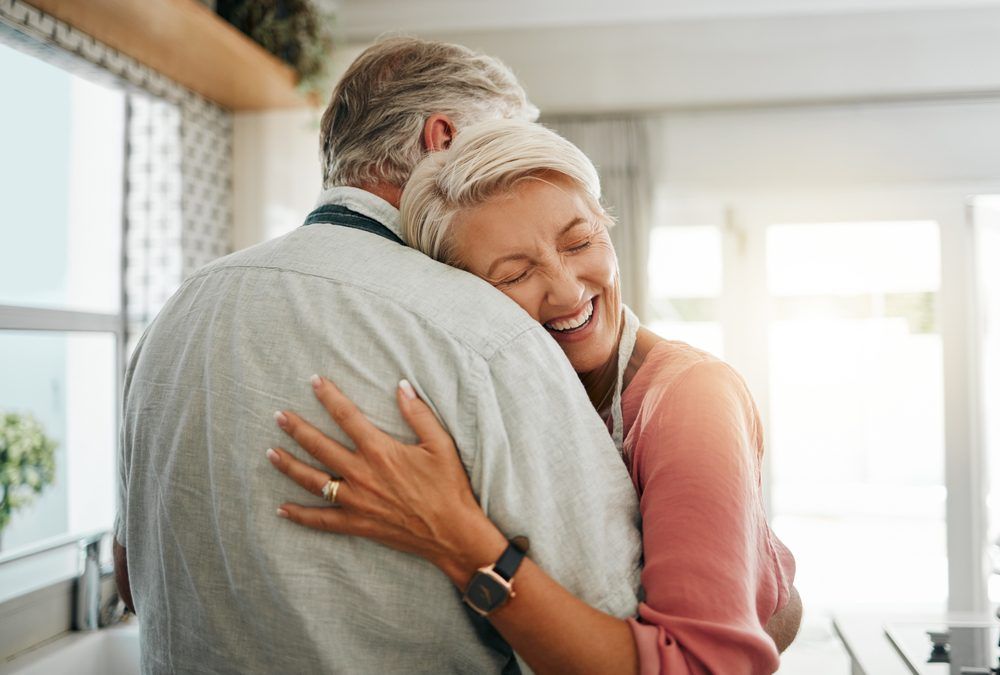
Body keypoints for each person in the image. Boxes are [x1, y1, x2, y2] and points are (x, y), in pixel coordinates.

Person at [114, 39, 645, 673]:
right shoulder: (484, 330)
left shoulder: (174, 316)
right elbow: (619, 626)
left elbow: (132, 579)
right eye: (506, 145)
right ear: (442, 140)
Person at [267, 119, 802, 674]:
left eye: (581, 242)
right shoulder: (488, 393)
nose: (568, 290)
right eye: (515, 274)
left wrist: (455, 537)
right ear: (462, 300)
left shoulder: (691, 398)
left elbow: (703, 667)